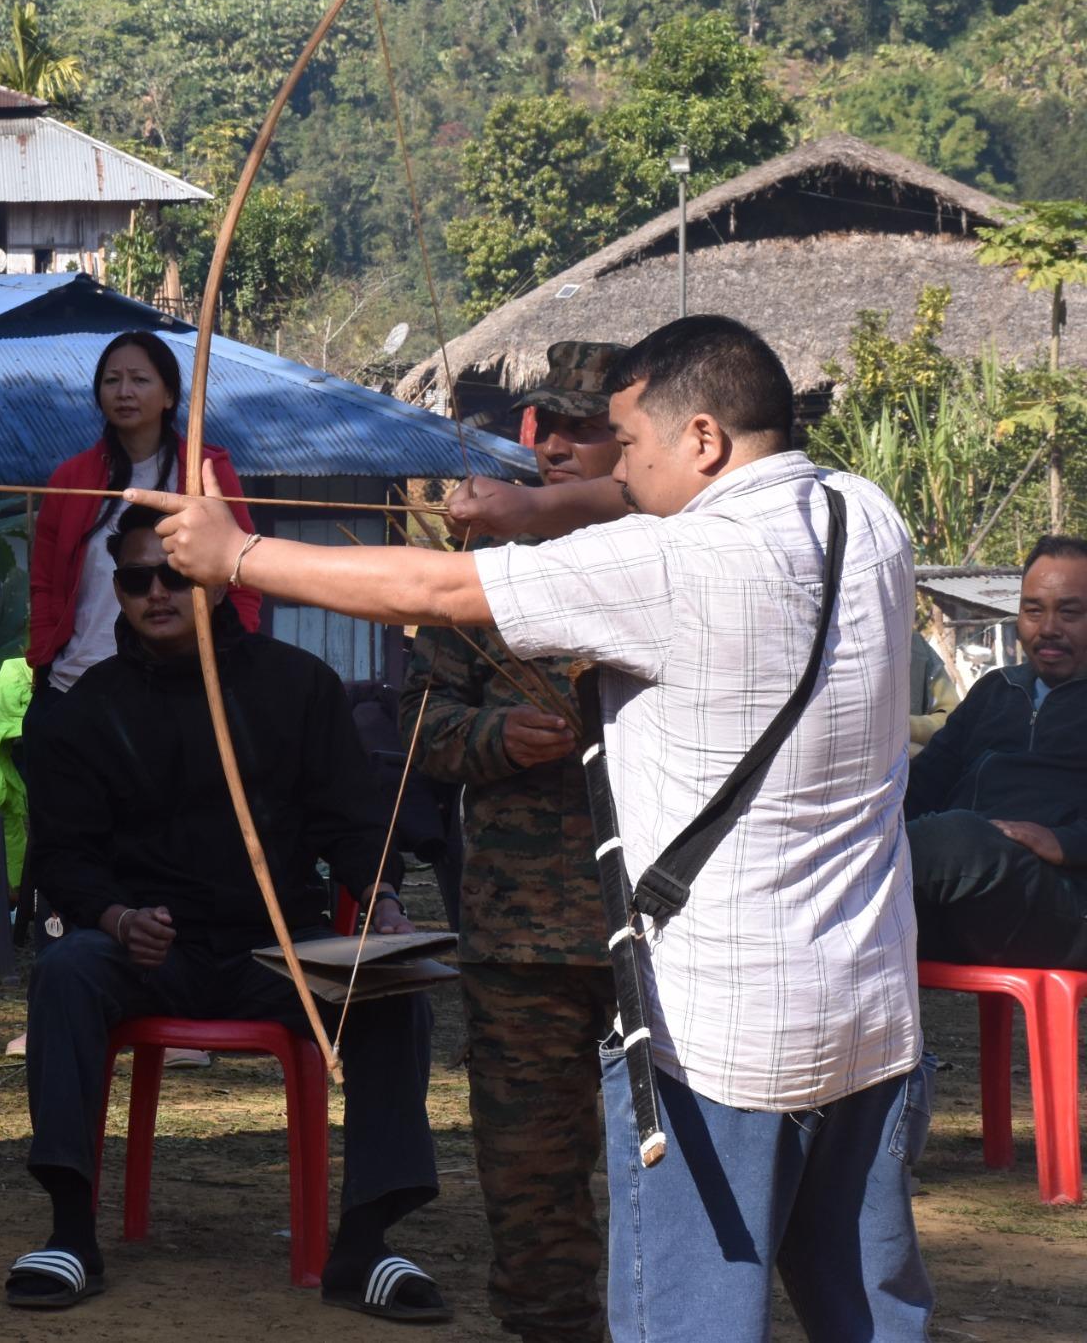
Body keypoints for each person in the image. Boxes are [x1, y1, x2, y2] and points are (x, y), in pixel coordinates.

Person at [130, 315, 929, 1343]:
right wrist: (536, 503)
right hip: (867, 1002)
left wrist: (235, 553)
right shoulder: (863, 514)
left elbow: (434, 587)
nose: (622, 476)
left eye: (630, 446)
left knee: (692, 1313)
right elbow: (614, 507)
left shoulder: (670, 563)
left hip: (722, 1034)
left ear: (698, 440)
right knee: (862, 1300)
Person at [6, 503, 445, 1318]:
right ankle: (70, 1230)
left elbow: (351, 820)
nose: (156, 593)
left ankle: (368, 1242)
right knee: (66, 974)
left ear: (211, 574)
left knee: (389, 991)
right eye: (136, 579)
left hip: (276, 951)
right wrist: (113, 918)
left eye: (174, 574)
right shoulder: (86, 708)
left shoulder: (298, 686)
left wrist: (381, 902)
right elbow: (63, 855)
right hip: (148, 955)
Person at [403, 341, 624, 1343]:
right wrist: (496, 736)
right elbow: (419, 723)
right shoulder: (482, 570)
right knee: (529, 1163)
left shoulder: (678, 552)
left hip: (660, 926)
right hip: (520, 926)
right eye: (547, 427)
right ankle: (549, 1323)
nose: (558, 447)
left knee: (683, 1157)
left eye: (586, 429)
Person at [27, 329, 261, 699]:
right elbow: (44, 585)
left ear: (169, 395)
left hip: (189, 683)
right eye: (112, 381)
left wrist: (234, 650)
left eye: (139, 380)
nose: (124, 392)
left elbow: (241, 568)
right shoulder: (70, 479)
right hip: (79, 679)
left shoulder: (205, 471)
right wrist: (42, 657)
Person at [904, 534, 1087, 969]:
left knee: (959, 838)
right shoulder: (995, 691)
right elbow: (923, 785)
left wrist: (1066, 841)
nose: (1047, 629)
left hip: (1062, 903)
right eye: (1033, 610)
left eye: (1070, 613)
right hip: (958, 899)